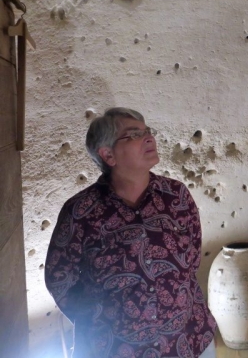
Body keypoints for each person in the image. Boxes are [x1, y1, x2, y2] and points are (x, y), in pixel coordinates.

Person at [45, 107, 217, 358]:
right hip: (115, 349)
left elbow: (191, 259)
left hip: (188, 340)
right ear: (108, 155)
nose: (149, 138)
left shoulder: (176, 196)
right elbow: (60, 280)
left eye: (147, 131)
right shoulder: (80, 212)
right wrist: (101, 319)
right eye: (134, 134)